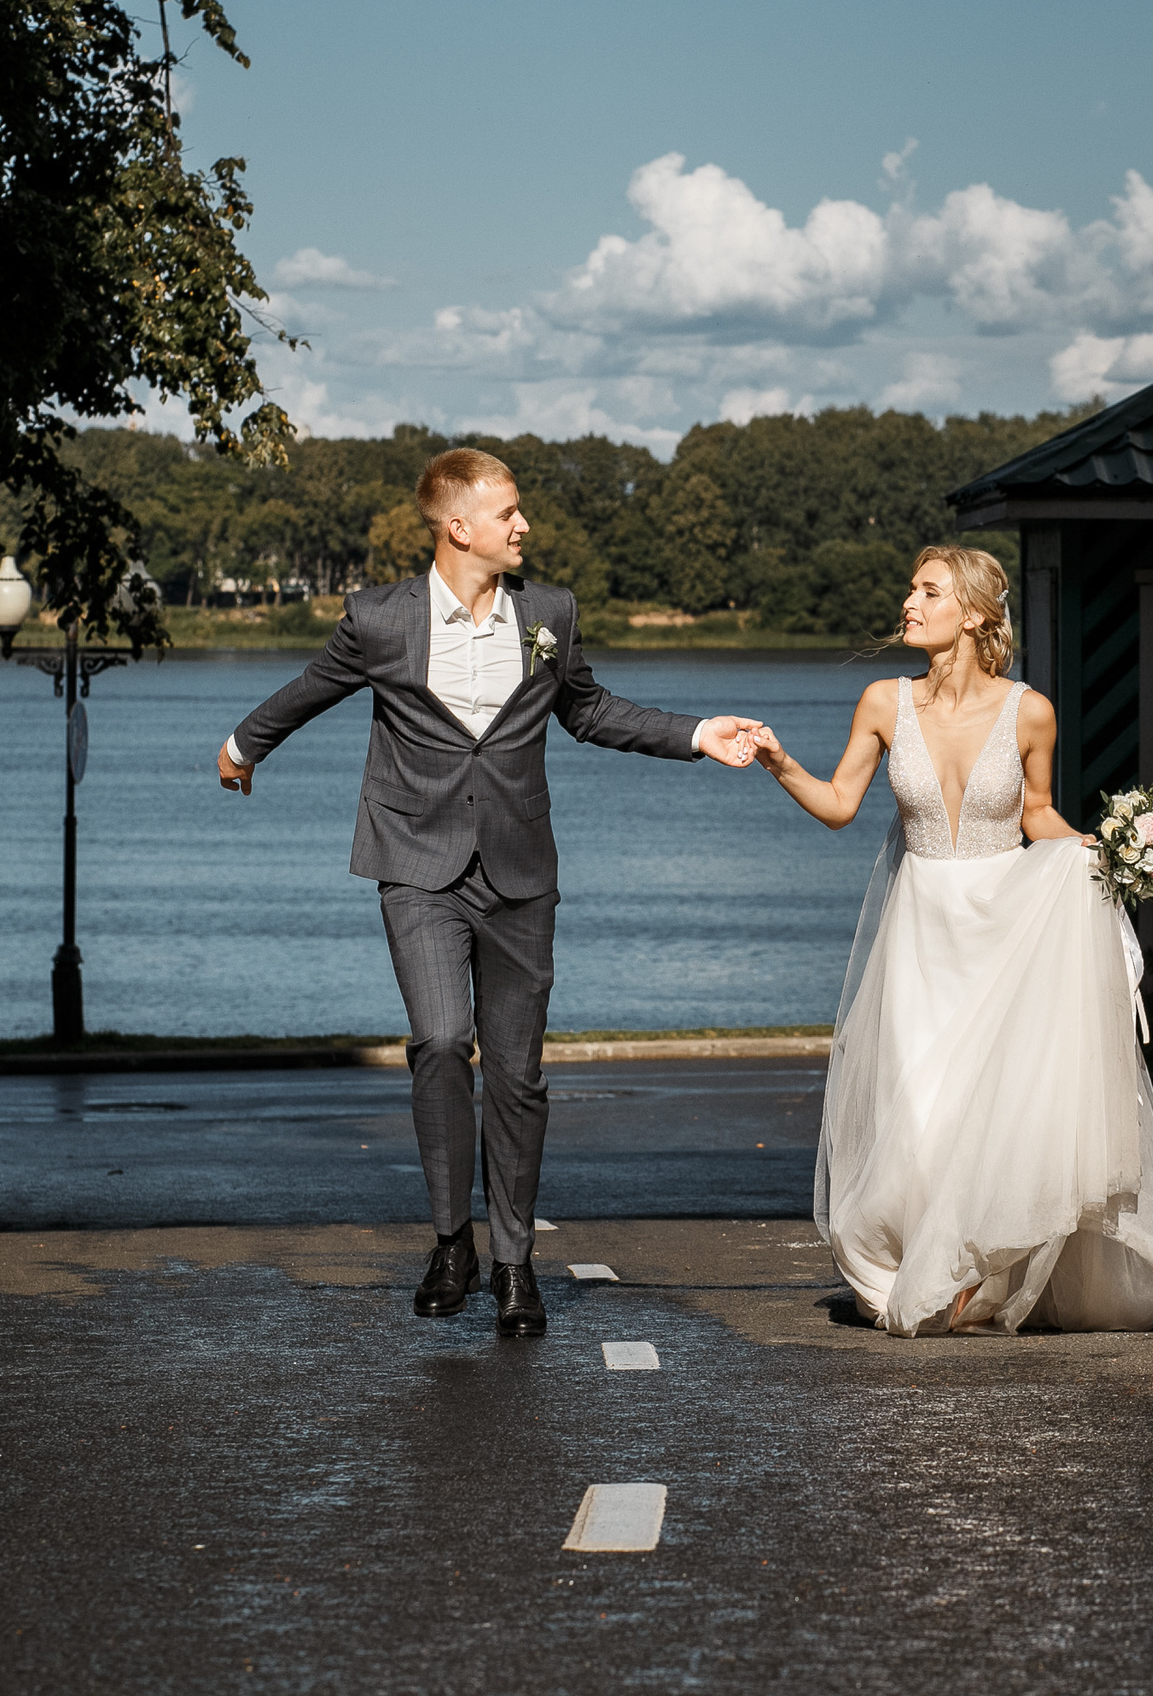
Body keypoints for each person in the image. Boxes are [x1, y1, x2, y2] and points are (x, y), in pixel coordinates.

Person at [213, 448, 765, 1339]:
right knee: (439, 1042)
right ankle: (449, 1242)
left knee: (516, 1075)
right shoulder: (380, 619)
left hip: (519, 871)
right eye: (508, 512)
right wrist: (244, 745)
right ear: (457, 526)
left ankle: (513, 1264)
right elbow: (311, 691)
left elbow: (589, 710)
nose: (524, 526)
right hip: (417, 863)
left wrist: (698, 731)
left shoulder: (549, 613)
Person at [749, 545, 1153, 1336]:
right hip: (921, 929)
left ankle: (969, 1275)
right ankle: (921, 1263)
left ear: (975, 613)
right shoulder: (883, 703)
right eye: (911, 589)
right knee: (921, 1109)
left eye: (928, 591)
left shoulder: (1030, 711)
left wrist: (1101, 851)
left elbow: (1037, 816)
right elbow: (838, 803)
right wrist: (780, 760)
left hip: (1005, 923)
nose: (909, 603)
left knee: (983, 1112)